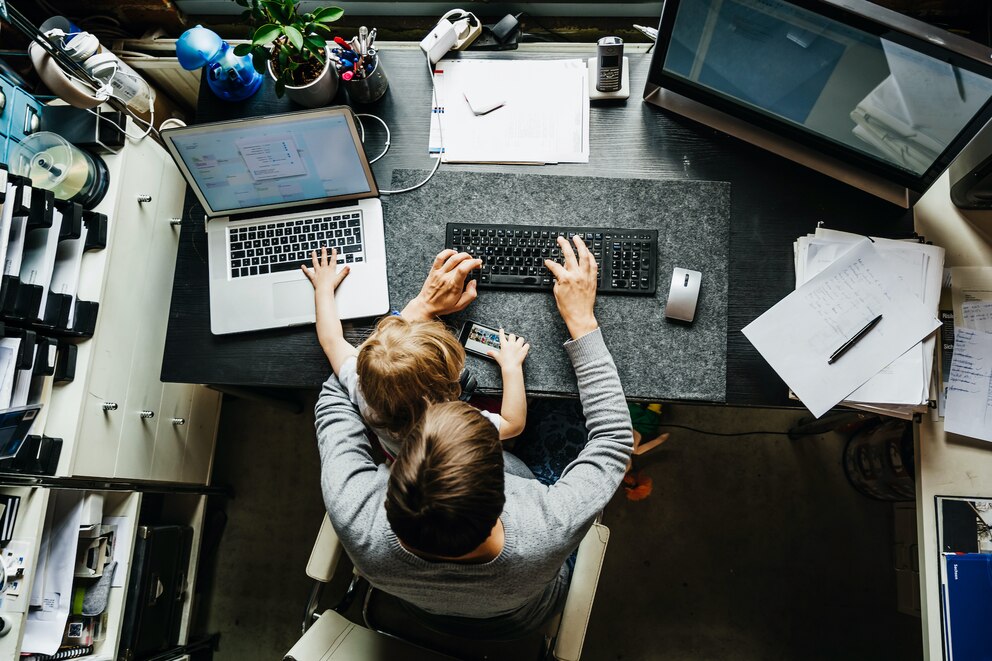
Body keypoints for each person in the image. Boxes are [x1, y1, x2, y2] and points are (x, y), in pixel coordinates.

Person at [313, 236, 634, 637]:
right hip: (523, 615)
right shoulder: (545, 528)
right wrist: (582, 321)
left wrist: (416, 314)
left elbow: (336, 395)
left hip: (420, 610)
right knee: (563, 412)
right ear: (504, 489)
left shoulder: (353, 513)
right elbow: (614, 441)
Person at [302, 247, 530, 457]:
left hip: (399, 454)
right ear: (450, 387)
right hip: (447, 453)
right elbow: (513, 424)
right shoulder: (454, 424)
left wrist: (323, 289)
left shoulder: (361, 385)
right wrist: (511, 368)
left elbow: (331, 340)